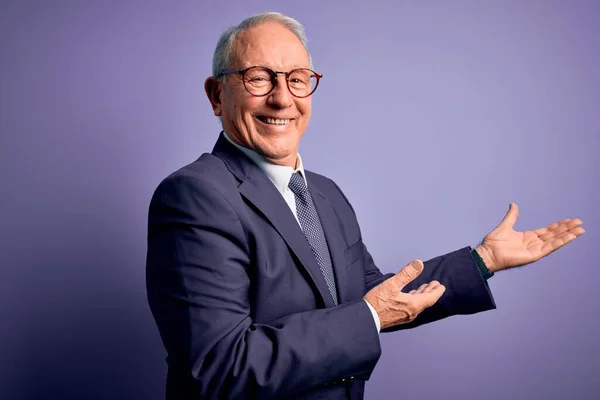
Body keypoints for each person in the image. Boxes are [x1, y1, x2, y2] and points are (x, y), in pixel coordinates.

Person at [145, 12, 584, 400]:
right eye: (259, 78)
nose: (283, 98)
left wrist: (483, 260)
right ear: (217, 95)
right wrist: (371, 316)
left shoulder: (325, 193)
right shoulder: (194, 196)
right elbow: (221, 368)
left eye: (297, 78)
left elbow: (371, 295)